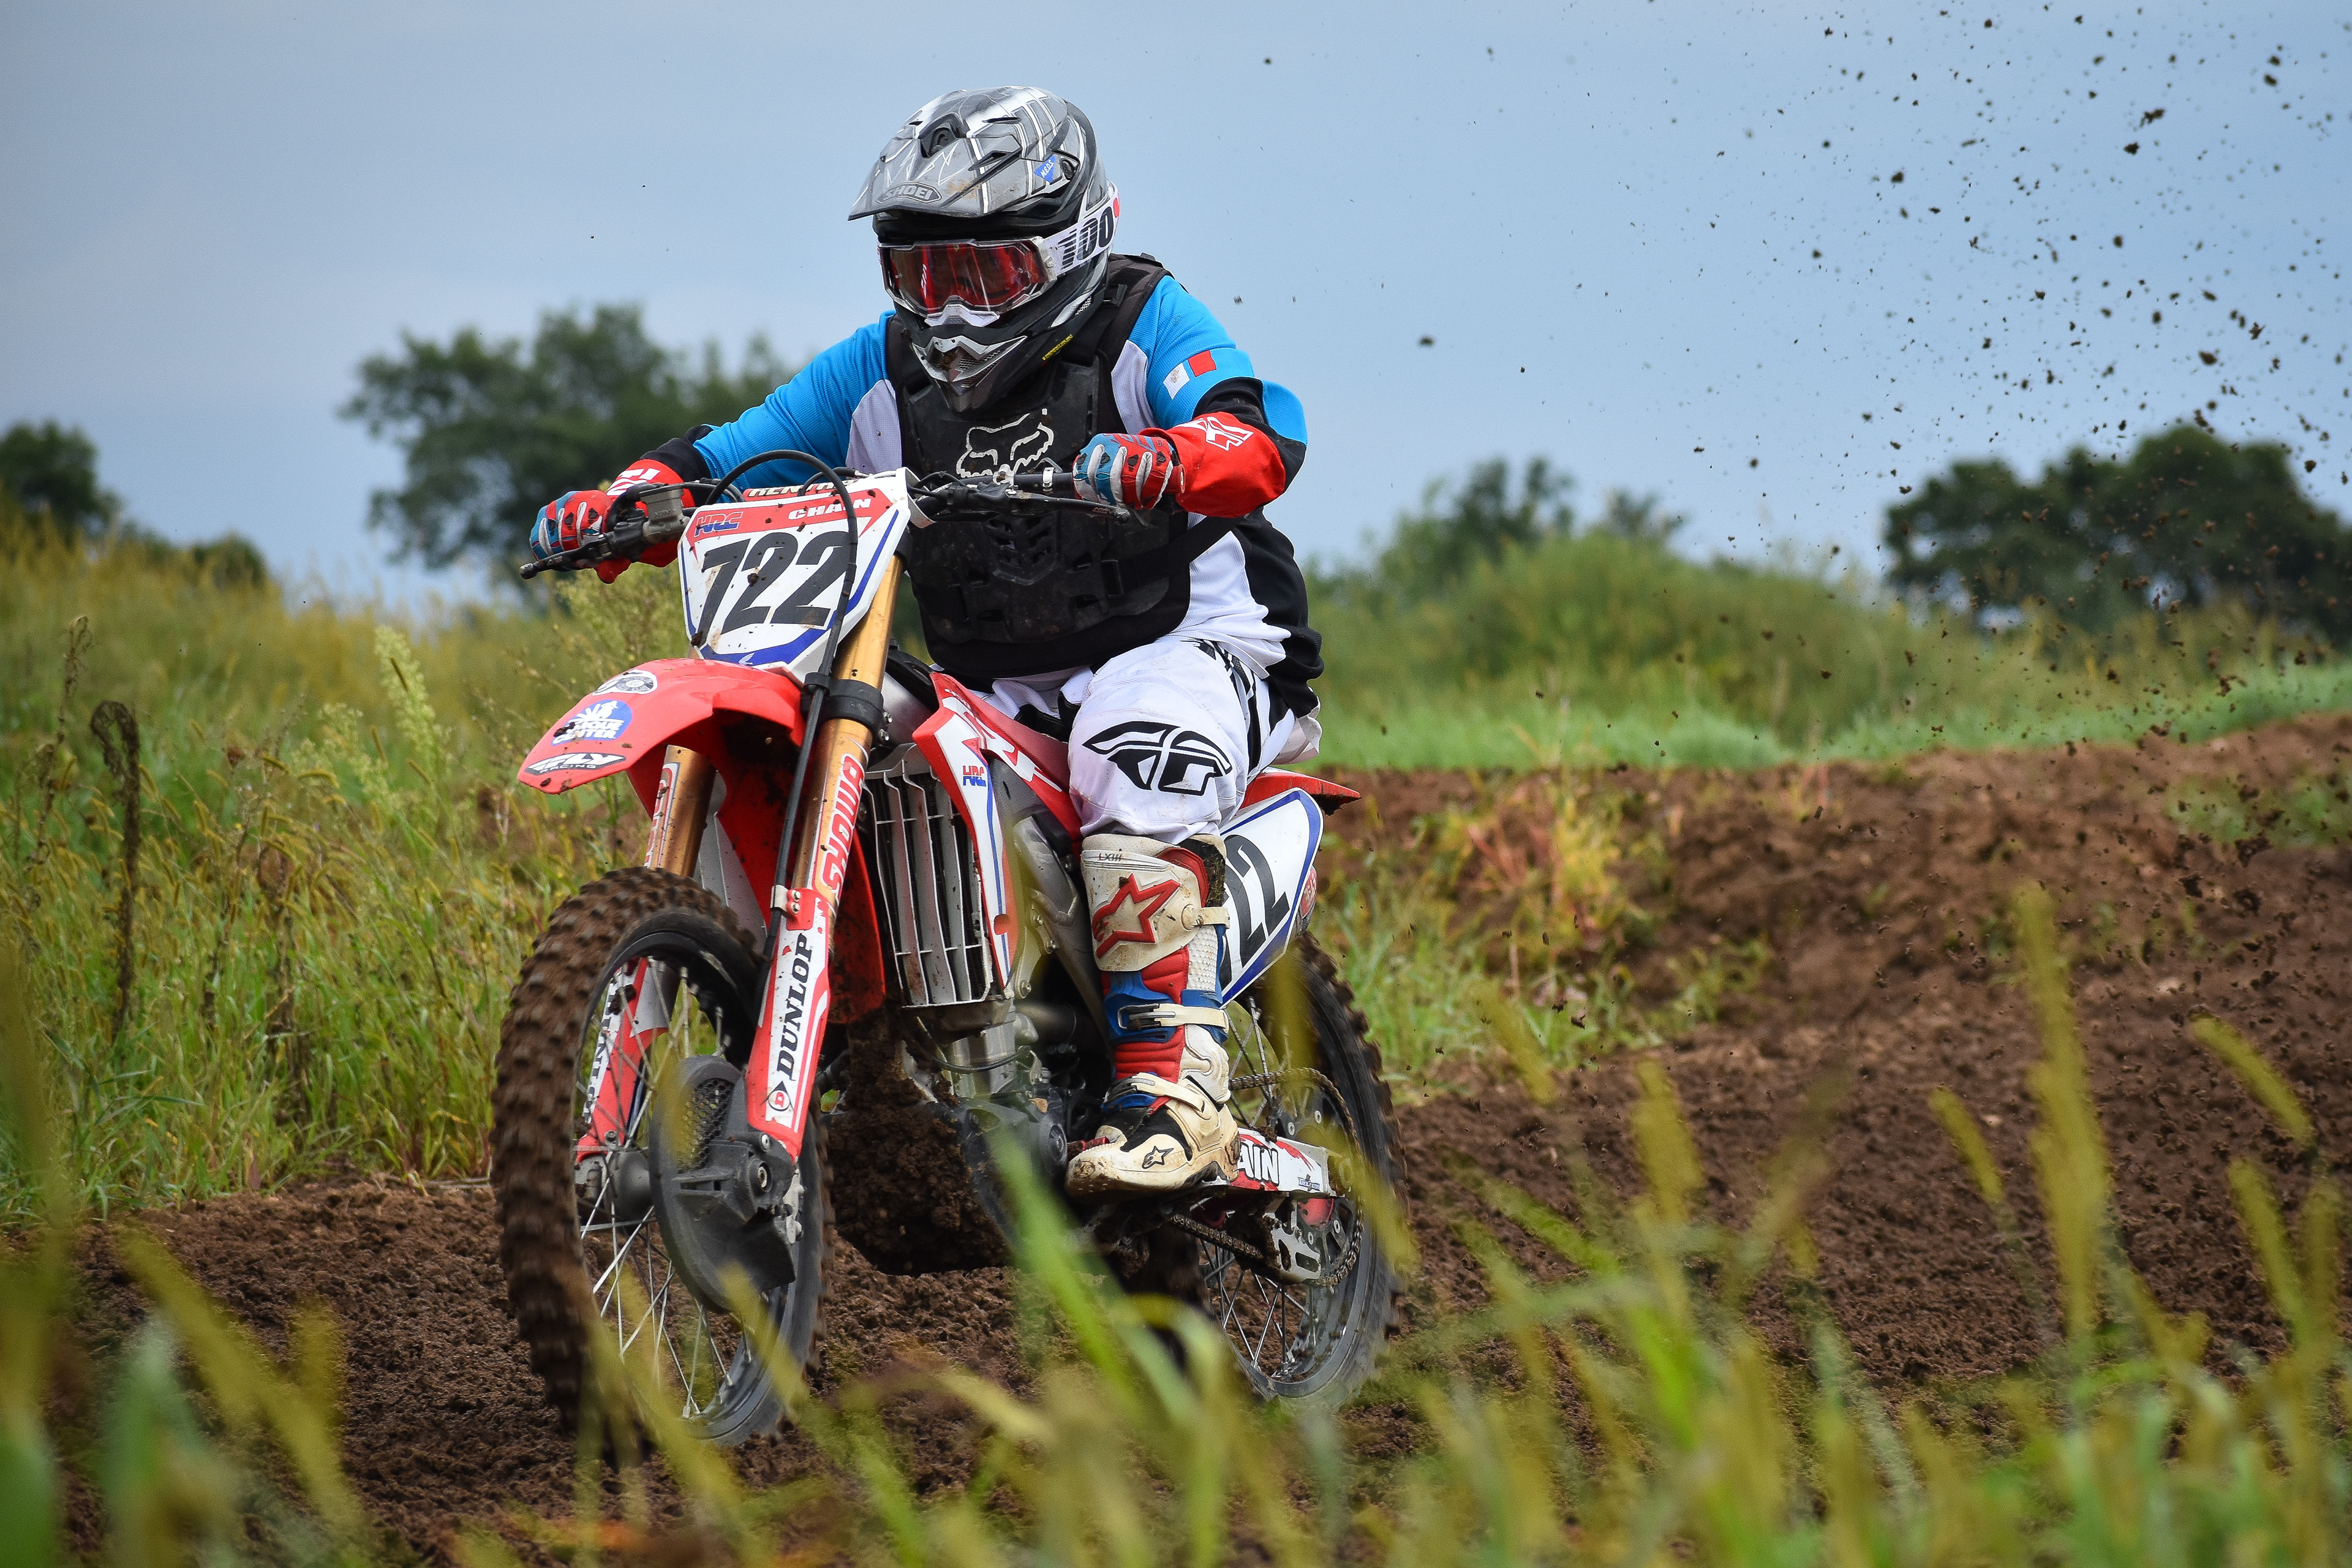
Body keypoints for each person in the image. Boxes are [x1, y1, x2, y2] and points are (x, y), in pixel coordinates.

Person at [529, 87, 1319, 1197]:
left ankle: (1172, 1095)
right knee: (850, 744)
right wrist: (636, 494)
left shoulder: (1142, 320)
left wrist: (1175, 457)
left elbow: (1259, 427)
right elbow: (739, 450)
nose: (947, 311)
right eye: (920, 274)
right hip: (1002, 683)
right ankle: (808, 1048)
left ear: (1068, 247)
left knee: (1130, 751)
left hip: (1194, 638)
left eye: (981, 276)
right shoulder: (883, 368)